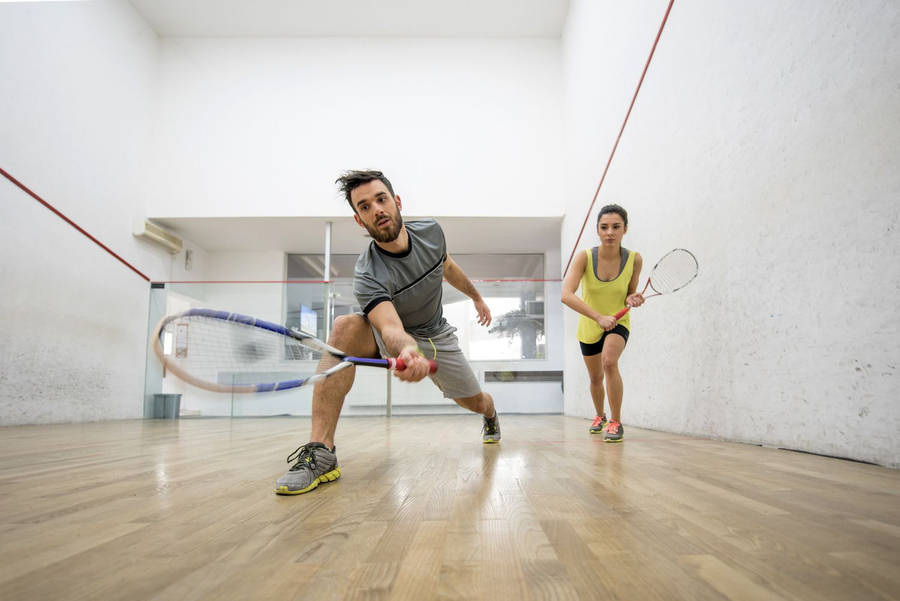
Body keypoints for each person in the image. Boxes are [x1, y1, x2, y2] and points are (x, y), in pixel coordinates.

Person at [275, 170, 500, 495]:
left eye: (381, 199)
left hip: (437, 334)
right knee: (345, 328)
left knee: (475, 401)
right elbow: (389, 326)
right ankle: (321, 450)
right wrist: (408, 350)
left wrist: (476, 297)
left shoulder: (432, 232)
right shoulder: (368, 273)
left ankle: (491, 415)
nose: (376, 209)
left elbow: (447, 268)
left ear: (396, 202)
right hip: (396, 334)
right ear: (359, 220)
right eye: (364, 206)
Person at [561, 204, 644, 442]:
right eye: (604, 227)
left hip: (619, 321)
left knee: (609, 362)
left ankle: (616, 422)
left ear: (624, 229)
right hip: (590, 324)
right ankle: (600, 415)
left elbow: (630, 292)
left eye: (616, 227)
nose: (610, 232)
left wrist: (632, 298)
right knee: (596, 378)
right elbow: (566, 294)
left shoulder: (634, 259)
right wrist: (598, 317)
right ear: (597, 230)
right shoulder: (585, 257)